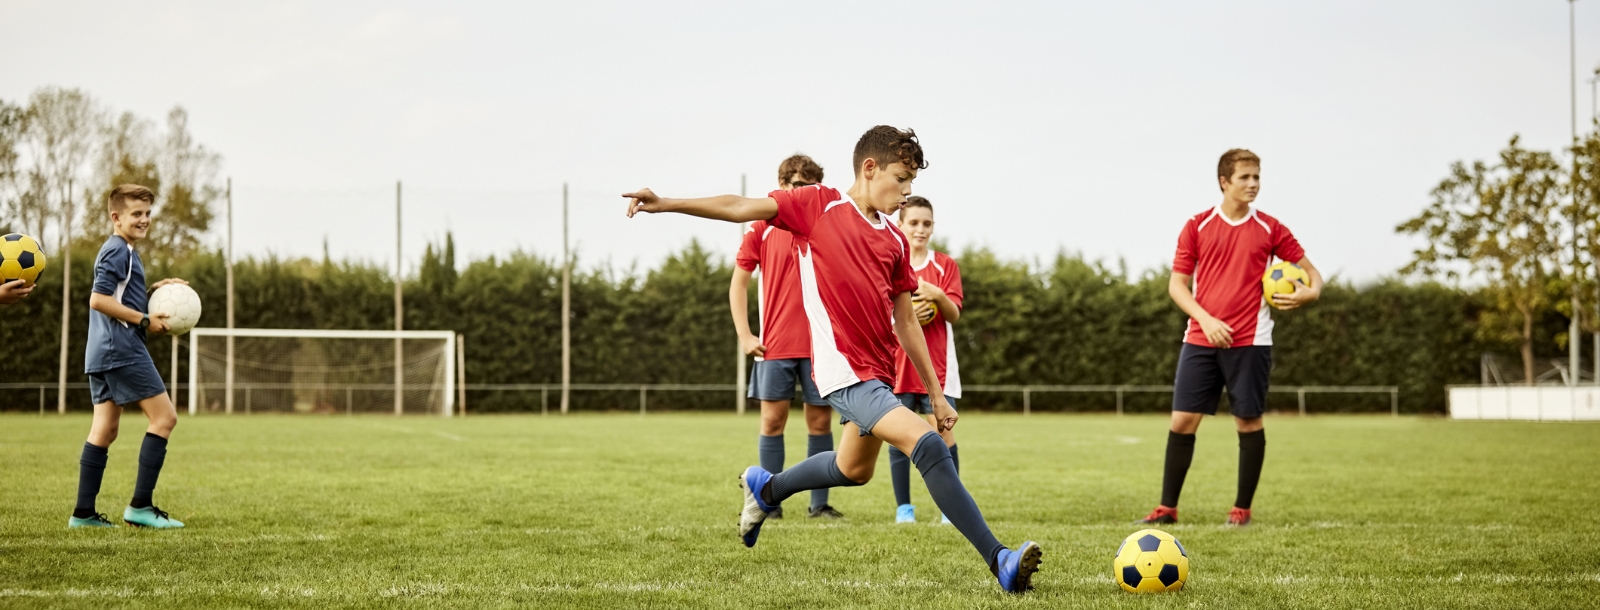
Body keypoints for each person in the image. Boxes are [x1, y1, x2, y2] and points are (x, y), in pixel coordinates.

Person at [624, 125, 1041, 593]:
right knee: (926, 445)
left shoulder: (897, 243)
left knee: (852, 471)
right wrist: (667, 203)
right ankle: (999, 558)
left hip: (877, 376)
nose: (906, 193)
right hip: (844, 374)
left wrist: (936, 396)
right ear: (869, 167)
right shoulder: (818, 206)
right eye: (901, 179)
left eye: (911, 185)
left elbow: (906, 324)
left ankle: (767, 488)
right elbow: (740, 207)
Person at [1136, 149, 1323, 528]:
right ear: (1224, 181)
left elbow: (1311, 273)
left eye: (1257, 177)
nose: (1253, 184)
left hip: (1252, 342)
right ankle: (1167, 509)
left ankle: (1242, 510)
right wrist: (1206, 319)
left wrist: (1311, 292)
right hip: (1201, 340)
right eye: (1245, 178)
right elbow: (1177, 286)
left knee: (1248, 421)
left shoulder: (1271, 229)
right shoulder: (1197, 225)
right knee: (1182, 421)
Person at [68, 184, 189, 529]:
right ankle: (140, 507)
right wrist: (146, 320)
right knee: (165, 418)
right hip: (121, 348)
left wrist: (157, 291)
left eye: (148, 214)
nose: (144, 220)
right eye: (137, 214)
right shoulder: (118, 250)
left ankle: (83, 515)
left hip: (102, 351)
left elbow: (121, 295)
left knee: (104, 430)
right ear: (116, 216)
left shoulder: (127, 252)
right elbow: (99, 299)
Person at [731, 154, 843, 519]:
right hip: (774, 344)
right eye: (794, 185)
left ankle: (819, 505)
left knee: (820, 423)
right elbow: (739, 283)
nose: (800, 192)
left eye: (807, 186)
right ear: (782, 186)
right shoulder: (762, 226)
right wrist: (746, 334)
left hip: (819, 345)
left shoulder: (824, 225)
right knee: (771, 423)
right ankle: (770, 502)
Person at [887, 196, 964, 525]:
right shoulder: (890, 261)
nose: (920, 229)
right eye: (914, 223)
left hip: (938, 370)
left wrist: (937, 295)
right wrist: (904, 318)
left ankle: (952, 509)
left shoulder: (944, 266)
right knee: (897, 438)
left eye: (927, 223)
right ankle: (904, 508)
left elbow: (954, 314)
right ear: (900, 225)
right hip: (897, 368)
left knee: (944, 435)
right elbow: (880, 313)